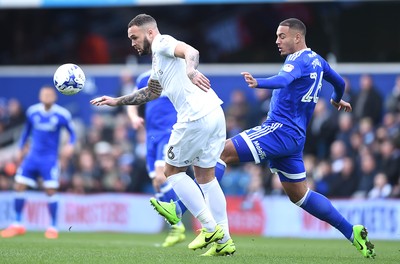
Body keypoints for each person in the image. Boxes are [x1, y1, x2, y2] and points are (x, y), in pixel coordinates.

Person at [154, 18, 376, 259]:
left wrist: (259, 82)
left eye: (282, 36)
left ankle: (184, 210)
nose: (277, 41)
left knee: (218, 154)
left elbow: (283, 80)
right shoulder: (318, 61)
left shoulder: (298, 60)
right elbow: (340, 82)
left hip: (278, 130)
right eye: (277, 36)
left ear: (297, 38)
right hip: (294, 139)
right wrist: (336, 98)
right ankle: (352, 232)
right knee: (300, 195)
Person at [90, 14, 234, 256]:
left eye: (134, 37)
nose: (132, 43)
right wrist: (117, 101)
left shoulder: (162, 42)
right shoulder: (158, 61)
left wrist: (190, 69)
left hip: (195, 117)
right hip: (214, 112)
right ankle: (225, 240)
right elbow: (151, 92)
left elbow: (191, 51)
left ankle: (209, 228)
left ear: (149, 33)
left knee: (171, 172)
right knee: (206, 177)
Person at [1, 85, 76, 239]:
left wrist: (70, 145)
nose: (46, 97)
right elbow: (26, 132)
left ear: (54, 97)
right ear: (40, 96)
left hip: (49, 160)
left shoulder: (62, 114)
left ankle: (53, 227)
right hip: (32, 157)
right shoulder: (33, 112)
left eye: (49, 95)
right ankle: (17, 224)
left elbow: (72, 133)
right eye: (44, 94)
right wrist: (21, 148)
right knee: (19, 186)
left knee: (50, 191)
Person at [126, 69, 186, 247]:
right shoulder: (143, 77)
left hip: (169, 133)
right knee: (156, 182)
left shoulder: (176, 74)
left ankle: (180, 221)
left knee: (161, 176)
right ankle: (176, 228)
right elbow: (132, 101)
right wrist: (133, 118)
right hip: (150, 136)